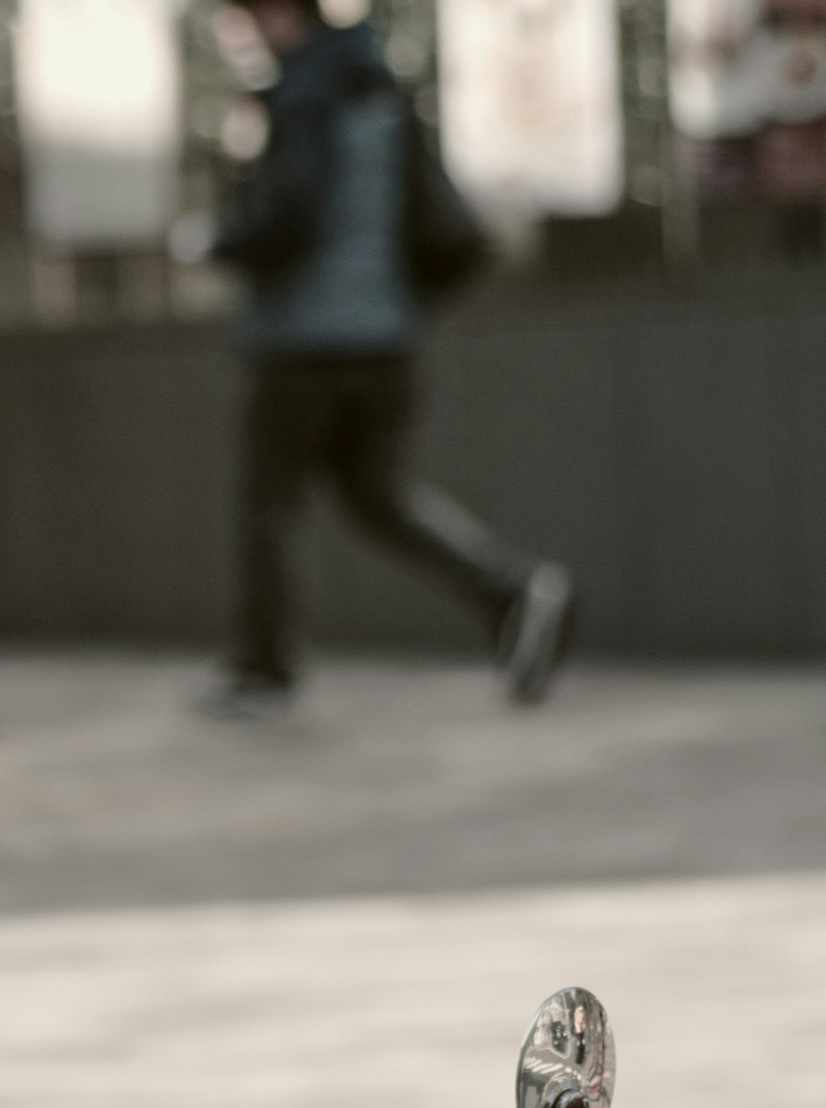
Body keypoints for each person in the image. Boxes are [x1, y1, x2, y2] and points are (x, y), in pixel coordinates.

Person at [206, 0, 571, 718]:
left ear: (280, 13)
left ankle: (264, 666)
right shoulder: (380, 83)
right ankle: (509, 592)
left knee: (268, 504)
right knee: (379, 498)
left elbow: (291, 213)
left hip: (306, 343)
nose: (247, 33)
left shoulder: (303, 88)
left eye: (250, 17)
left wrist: (223, 239)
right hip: (386, 340)